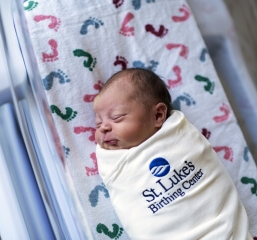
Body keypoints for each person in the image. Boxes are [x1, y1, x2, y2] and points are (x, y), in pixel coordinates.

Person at [93, 68, 252, 239]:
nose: (104, 127)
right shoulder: (112, 159)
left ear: (158, 115)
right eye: (98, 123)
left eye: (116, 117)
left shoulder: (180, 133)